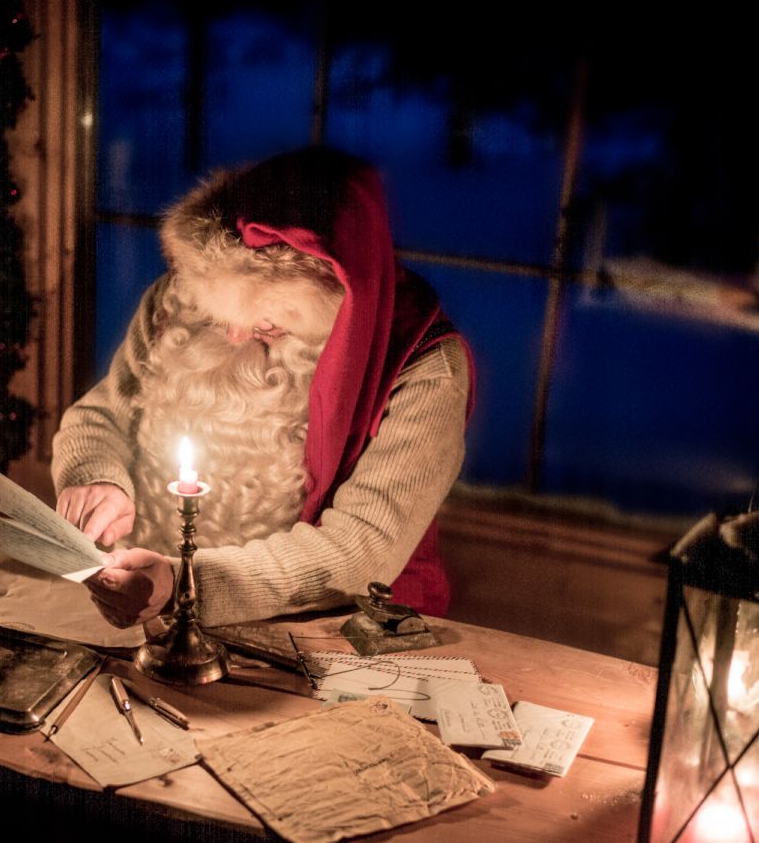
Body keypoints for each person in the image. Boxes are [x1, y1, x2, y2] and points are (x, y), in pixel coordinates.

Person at [53, 147, 472, 629]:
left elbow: (358, 552)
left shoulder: (425, 366)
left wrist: (188, 584)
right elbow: (102, 417)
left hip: (327, 629)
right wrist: (98, 475)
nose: (233, 333)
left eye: (267, 325)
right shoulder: (178, 301)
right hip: (150, 605)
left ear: (334, 303)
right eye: (220, 312)